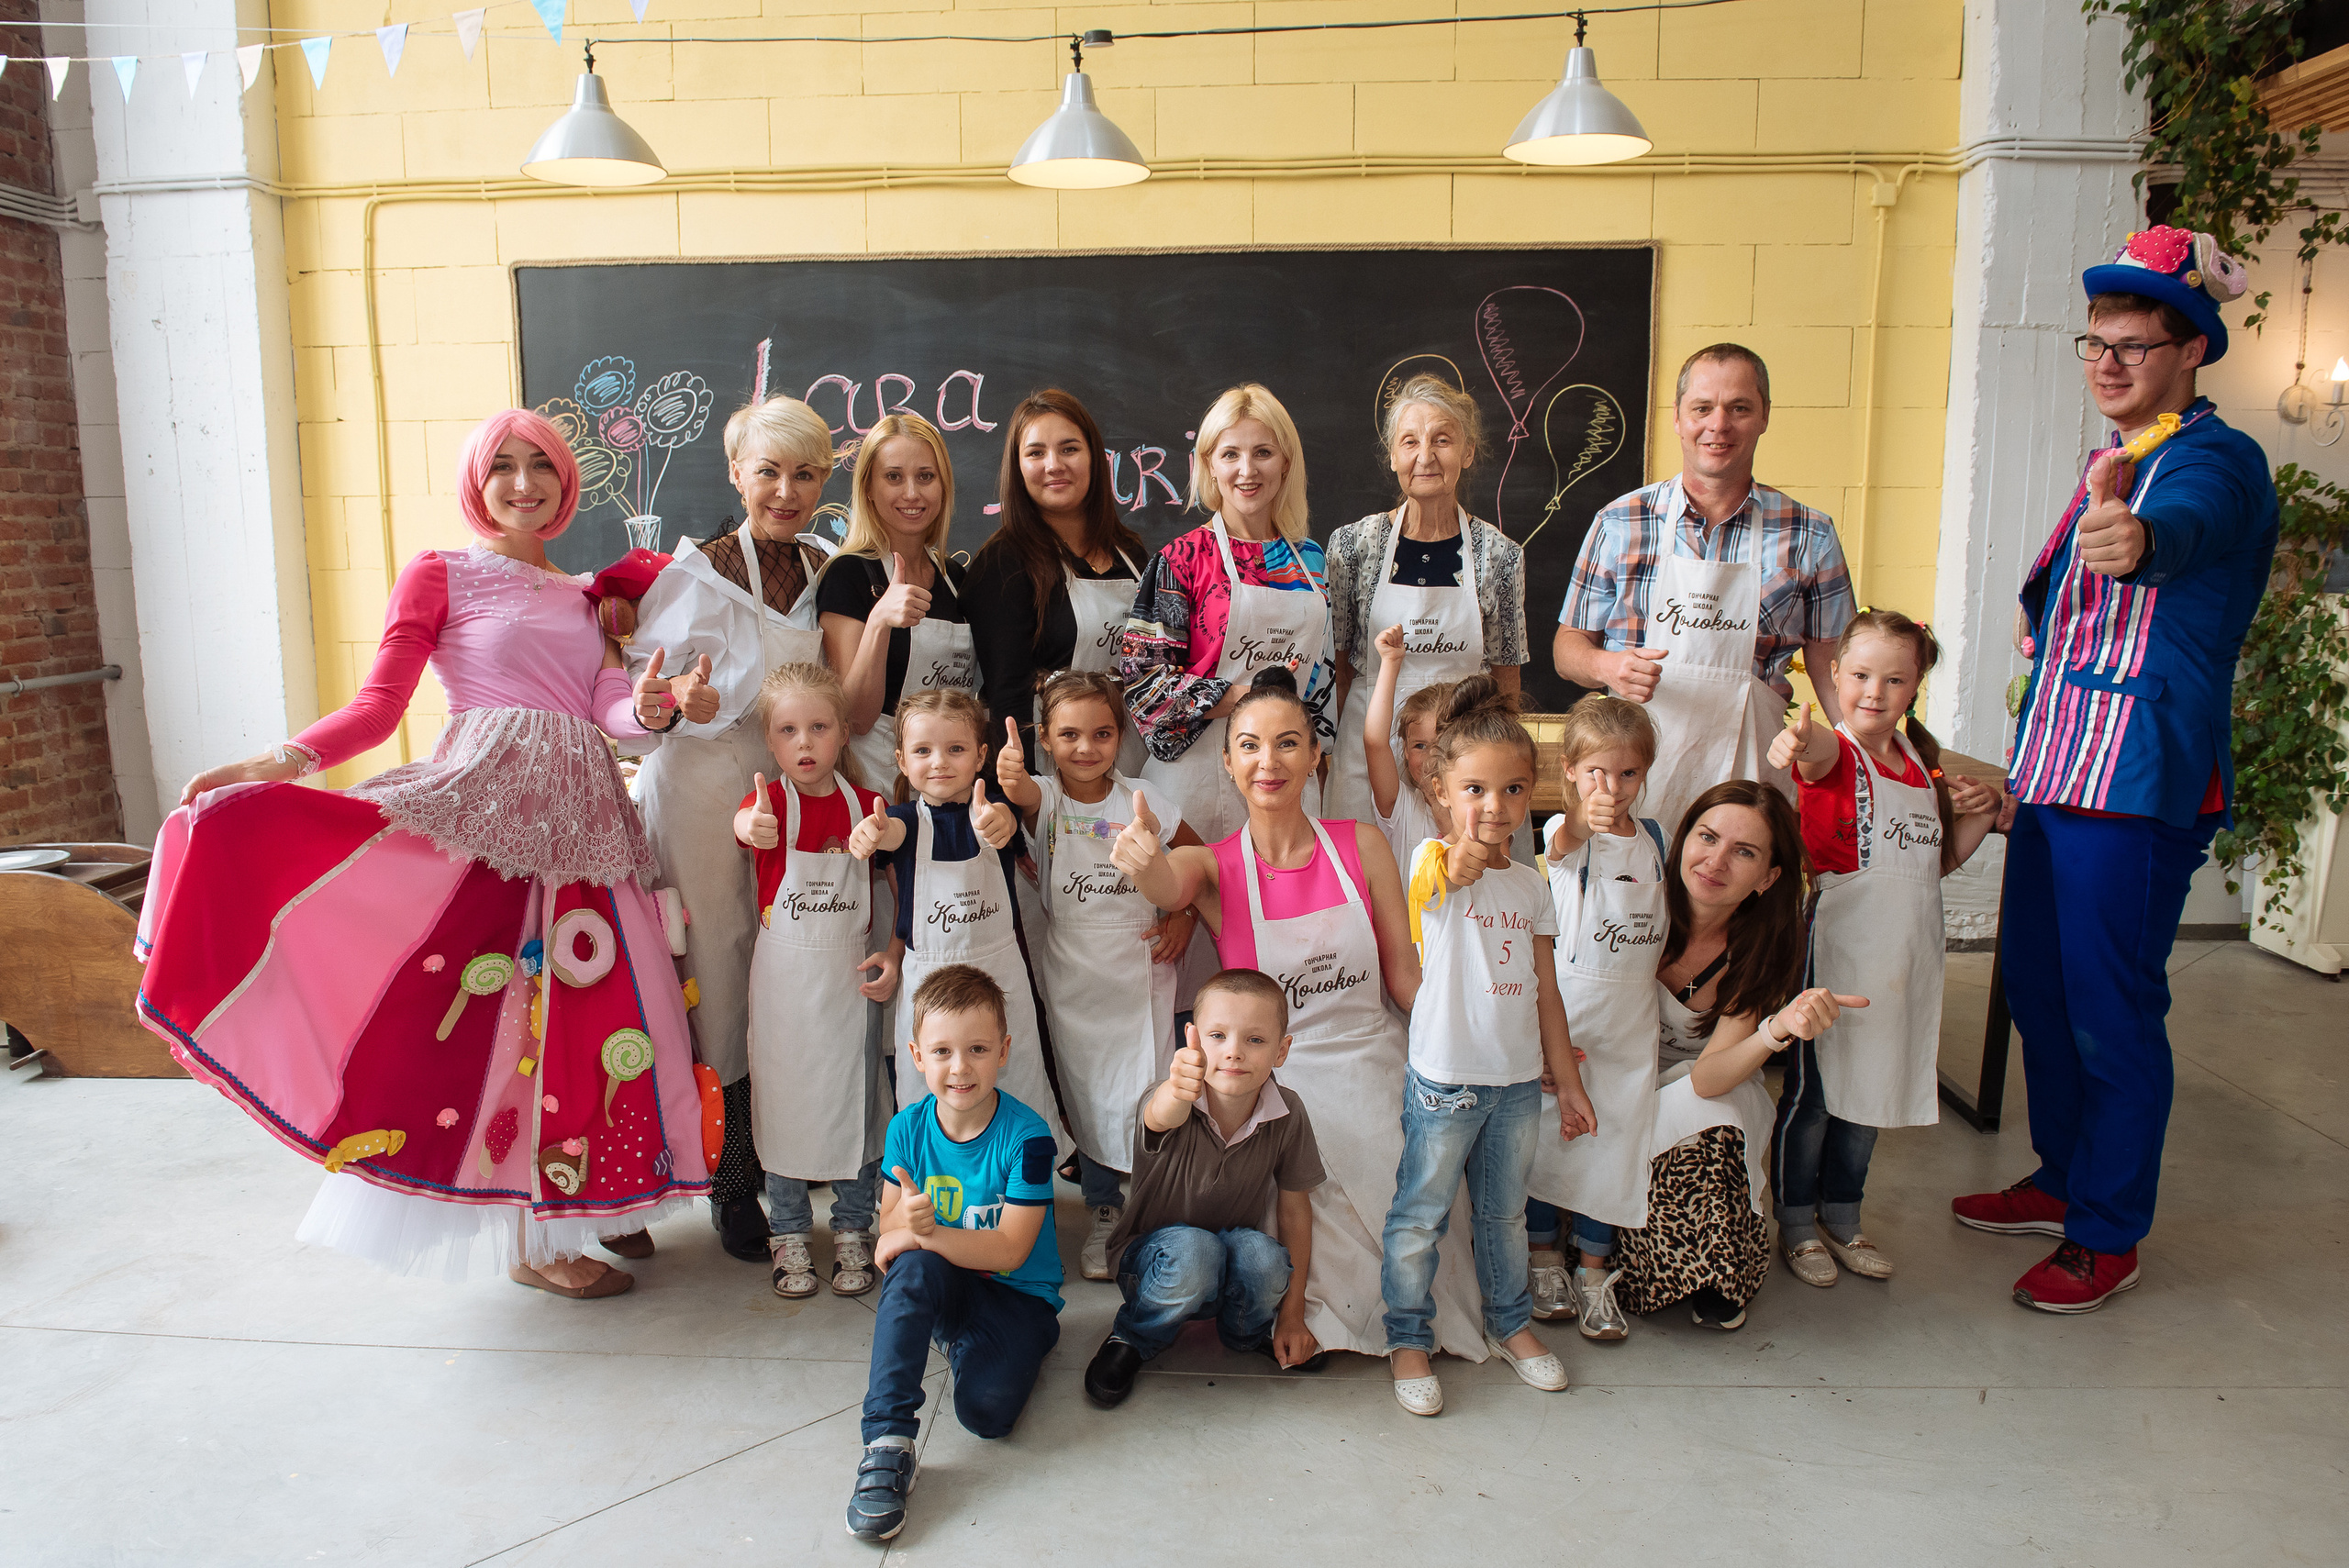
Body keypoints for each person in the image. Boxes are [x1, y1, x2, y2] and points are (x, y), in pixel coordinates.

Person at [136, 409, 706, 1298]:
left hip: (585, 822)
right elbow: (377, 704)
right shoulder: (440, 572)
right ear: (475, 484)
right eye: (502, 467)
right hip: (485, 813)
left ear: (567, 481)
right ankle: (534, 1241)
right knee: (502, 1017)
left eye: (542, 466)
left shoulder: (593, 595)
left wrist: (659, 704)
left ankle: (583, 1199)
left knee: (592, 1016)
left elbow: (611, 713)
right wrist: (274, 761)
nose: (524, 483)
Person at [1954, 225, 2277, 1313]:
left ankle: (2107, 1229)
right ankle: (2062, 1174)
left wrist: (2137, 543)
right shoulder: (2122, 454)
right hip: (2057, 775)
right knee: (2041, 991)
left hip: (2136, 784)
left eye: (2135, 344)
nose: (2109, 361)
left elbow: (2181, 533)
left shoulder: (2209, 461)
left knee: (2110, 1007)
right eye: (2096, 343)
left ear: (2191, 351)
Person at [1112, 666, 1486, 1361]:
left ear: (1316, 755)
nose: (1269, 761)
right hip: (1279, 1078)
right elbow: (1169, 879)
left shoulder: (1363, 844)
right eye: (1249, 744)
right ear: (1227, 762)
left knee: (1409, 1175)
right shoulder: (1215, 866)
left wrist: (1484, 1035)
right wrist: (1144, 866)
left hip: (1374, 1054)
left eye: (1288, 743)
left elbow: (1406, 978)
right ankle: (1311, 1319)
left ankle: (1404, 1326)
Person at [625, 395, 838, 1262]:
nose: (785, 490)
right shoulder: (697, 571)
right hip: (707, 793)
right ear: (735, 474)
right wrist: (681, 703)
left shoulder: (830, 565)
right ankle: (728, 1177)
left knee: (790, 965)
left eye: (806, 474)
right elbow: (642, 704)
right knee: (714, 969)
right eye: (768, 472)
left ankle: (791, 1147)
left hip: (800, 788)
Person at [1379, 678, 1593, 1417]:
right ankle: (1407, 1337)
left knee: (1504, 1215)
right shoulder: (1432, 864)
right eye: (1475, 788)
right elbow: (1455, 867)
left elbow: (1547, 994)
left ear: (1533, 791)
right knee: (1420, 1213)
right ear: (1440, 790)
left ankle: (1512, 1325)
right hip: (1444, 1084)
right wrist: (1462, 844)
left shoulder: (1533, 888)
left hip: (1515, 1085)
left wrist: (1565, 1081)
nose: (1495, 806)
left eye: (1511, 789)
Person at [1768, 611, 1998, 1288]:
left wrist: (1980, 817)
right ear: (1834, 675)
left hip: (1905, 956)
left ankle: (1844, 1215)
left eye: (1894, 679)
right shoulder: (1838, 752)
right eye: (1861, 675)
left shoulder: (1922, 770)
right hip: (1840, 947)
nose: (1875, 691)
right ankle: (1796, 1221)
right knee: (1815, 1094)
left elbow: (1935, 864)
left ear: (1915, 686)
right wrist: (1800, 742)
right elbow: (1814, 757)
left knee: (1873, 1093)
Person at [1553, 343, 1858, 835]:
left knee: (1740, 904)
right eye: (1702, 408)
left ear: (1764, 417)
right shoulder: (1620, 522)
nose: (1719, 425)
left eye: (1739, 408)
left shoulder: (1810, 535)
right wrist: (1605, 665)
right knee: (1632, 909)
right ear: (1677, 417)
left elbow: (1836, 666)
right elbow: (1567, 649)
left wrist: (1859, 759)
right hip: (1629, 771)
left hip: (1751, 769)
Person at [1620, 781, 1865, 1330]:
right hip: (1614, 1079)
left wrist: (1776, 1030)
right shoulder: (1629, 903)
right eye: (1707, 837)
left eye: (1745, 852)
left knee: (1710, 1119)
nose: (1716, 861)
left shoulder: (1756, 947)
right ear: (1683, 840)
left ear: (1769, 877)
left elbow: (1708, 1079)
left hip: (1709, 1082)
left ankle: (1711, 1270)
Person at [996, 673, 1204, 1280]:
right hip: (1072, 976)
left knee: (1146, 1092)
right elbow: (1023, 795)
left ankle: (1151, 1208)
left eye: (1102, 733)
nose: (1085, 747)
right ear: (1044, 738)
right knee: (1086, 1097)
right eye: (1068, 734)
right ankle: (1104, 1213)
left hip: (1139, 969)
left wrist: (1185, 913)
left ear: (1121, 736)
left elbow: (1197, 862)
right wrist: (1012, 779)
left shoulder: (1145, 799)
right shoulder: (1045, 798)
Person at [845, 964, 1063, 1543]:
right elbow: (891, 1229)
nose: (959, 1067)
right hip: (946, 1277)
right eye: (942, 1050)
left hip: (1017, 1296)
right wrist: (907, 1225)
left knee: (987, 1416)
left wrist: (921, 1233)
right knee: (913, 1269)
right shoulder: (906, 1130)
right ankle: (887, 1444)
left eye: (977, 1049)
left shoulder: (1031, 1138)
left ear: (1004, 1052)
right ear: (916, 1055)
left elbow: (1012, 1249)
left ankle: (975, 1339)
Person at [1081, 967, 1328, 1408]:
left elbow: (1294, 1209)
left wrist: (1292, 1315)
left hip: (1224, 1261)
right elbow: (1161, 1115)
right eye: (1218, 1036)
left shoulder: (1288, 1112)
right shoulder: (1171, 1096)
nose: (1233, 1053)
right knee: (1196, 1251)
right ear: (1192, 1039)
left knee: (1266, 1257)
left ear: (1282, 1050)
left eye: (1255, 1040)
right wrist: (1178, 1088)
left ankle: (1246, 1331)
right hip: (1150, 1263)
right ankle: (1133, 1337)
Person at [733, 662, 897, 1300]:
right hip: (782, 990)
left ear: (843, 736)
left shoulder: (866, 806)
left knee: (856, 1105)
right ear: (770, 743)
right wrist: (751, 828)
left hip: (847, 986)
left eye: (819, 727)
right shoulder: (767, 803)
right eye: (789, 730)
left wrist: (892, 948)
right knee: (786, 1105)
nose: (805, 743)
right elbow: (743, 826)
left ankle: (855, 1223)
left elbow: (894, 886)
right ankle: (791, 1228)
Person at [846, 688, 1066, 1159]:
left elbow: (1003, 822)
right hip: (930, 986)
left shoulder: (994, 813)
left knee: (1017, 1078)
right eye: (923, 751)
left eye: (956, 749)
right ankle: (928, 1194)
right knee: (931, 1096)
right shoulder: (903, 821)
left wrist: (1001, 823)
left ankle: (1023, 1194)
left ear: (981, 755)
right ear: (902, 761)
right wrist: (873, 831)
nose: (939, 762)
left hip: (999, 980)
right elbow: (891, 832)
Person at [1120, 384, 1335, 851]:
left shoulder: (1312, 561)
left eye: (1263, 452)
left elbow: (1324, 679)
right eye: (1230, 454)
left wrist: (1315, 755)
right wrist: (1250, 696)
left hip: (1287, 778)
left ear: (1286, 463)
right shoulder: (1180, 559)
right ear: (1208, 466)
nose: (1246, 470)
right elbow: (1143, 687)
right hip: (1195, 781)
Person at [1325, 374, 1527, 827]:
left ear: (1468, 451)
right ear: (1393, 456)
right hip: (1366, 752)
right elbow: (1338, 668)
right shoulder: (1353, 546)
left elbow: (1506, 679)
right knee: (1370, 884)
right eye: (1410, 441)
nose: (1425, 457)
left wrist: (1502, 769)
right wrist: (1327, 755)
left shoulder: (1501, 556)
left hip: (1463, 763)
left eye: (1442, 440)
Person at [1527, 695, 1666, 1342]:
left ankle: (1594, 1269)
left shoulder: (1659, 839)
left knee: (1612, 1144)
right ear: (1572, 772)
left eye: (1627, 774)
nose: (1612, 788)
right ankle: (1542, 1257)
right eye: (1596, 773)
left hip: (1630, 1022)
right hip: (1569, 1012)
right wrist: (1582, 819)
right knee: (1550, 1139)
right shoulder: (1563, 831)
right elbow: (1564, 840)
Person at [966, 387, 1153, 776]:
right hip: (1048, 771)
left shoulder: (1131, 553)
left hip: (1133, 762)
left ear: (1094, 459)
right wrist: (1024, 800)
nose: (1054, 464)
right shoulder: (1003, 563)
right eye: (1036, 453)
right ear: (1017, 468)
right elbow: (1008, 697)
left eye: (1069, 449)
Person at [818, 412, 976, 793]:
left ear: (943, 486)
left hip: (948, 786)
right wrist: (879, 623)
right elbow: (854, 718)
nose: (911, 493)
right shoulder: (848, 574)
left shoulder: (955, 579)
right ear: (868, 488)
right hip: (876, 783)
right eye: (893, 477)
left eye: (925, 476)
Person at [1361, 623, 1458, 873]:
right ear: (1404, 750)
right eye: (1420, 746)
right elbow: (1374, 742)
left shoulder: (1479, 808)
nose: (1431, 758)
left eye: (1442, 745)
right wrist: (1391, 663)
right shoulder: (1401, 807)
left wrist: (1442, 810)